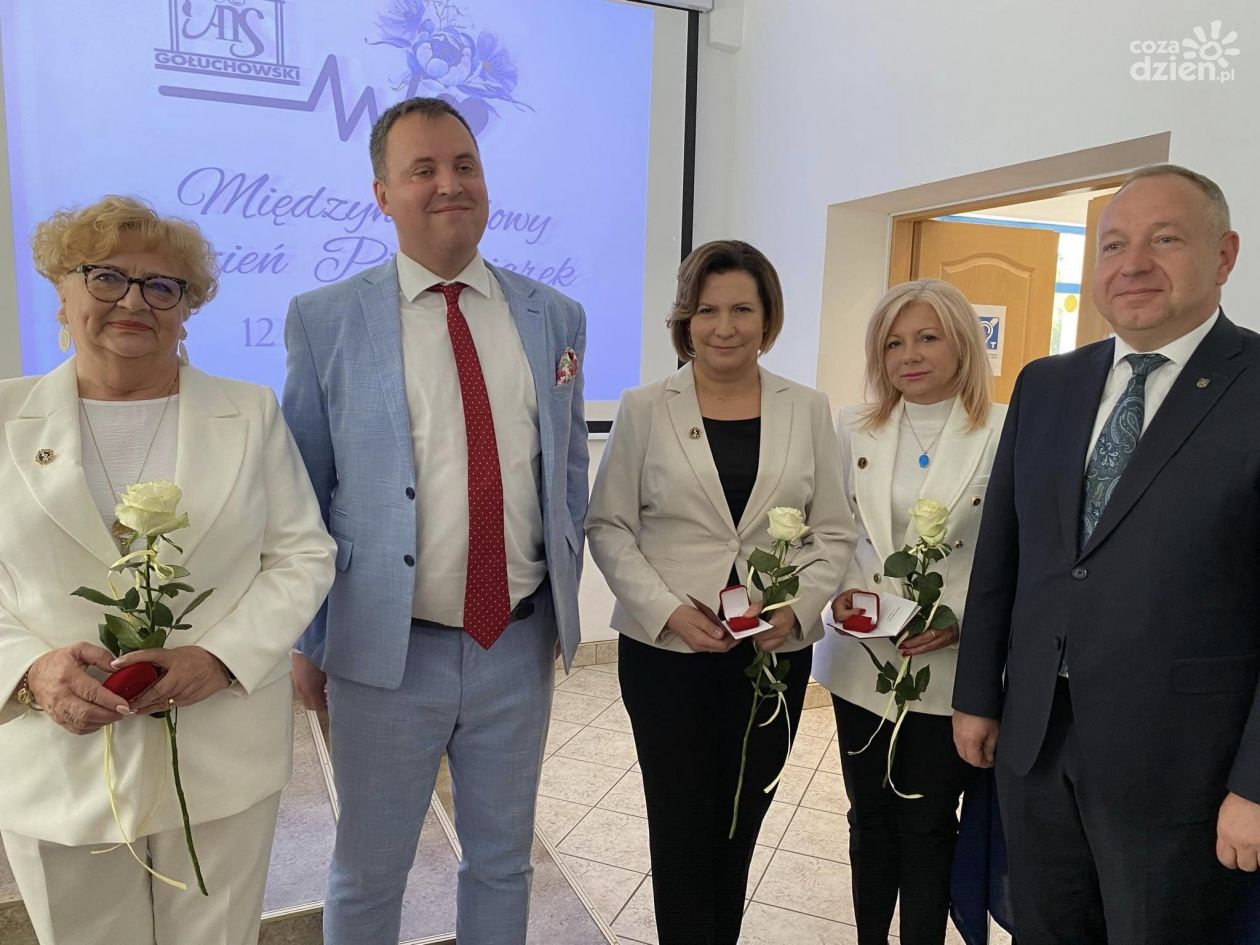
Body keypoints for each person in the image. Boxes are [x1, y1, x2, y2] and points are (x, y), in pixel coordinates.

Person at [282, 97, 588, 945]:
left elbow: (566, 470)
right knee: (369, 870)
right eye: (423, 169)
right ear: (383, 193)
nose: (449, 184)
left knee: (503, 863)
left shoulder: (553, 316)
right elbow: (302, 492)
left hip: (514, 643)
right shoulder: (326, 319)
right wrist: (308, 638)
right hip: (386, 649)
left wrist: (559, 601)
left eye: (464, 165)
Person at [0, 195, 335, 945]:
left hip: (220, 753)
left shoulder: (248, 414)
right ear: (62, 291)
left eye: (161, 286)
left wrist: (219, 657)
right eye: (106, 277)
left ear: (186, 309)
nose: (133, 302)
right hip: (57, 759)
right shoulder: (2, 419)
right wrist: (30, 671)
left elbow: (302, 554)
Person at [952, 164, 1260, 945]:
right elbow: (1003, 558)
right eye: (1114, 244)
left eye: (1166, 239)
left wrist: (1256, 785)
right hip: (1036, 742)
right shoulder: (1047, 384)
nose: (1133, 264)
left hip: (1183, 768)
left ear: (1224, 255)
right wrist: (977, 693)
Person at [585, 239, 855, 945]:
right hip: (667, 653)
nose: (724, 326)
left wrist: (797, 608)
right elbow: (608, 525)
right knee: (679, 824)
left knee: (741, 820)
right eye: (707, 310)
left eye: (742, 309)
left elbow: (834, 529)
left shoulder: (806, 408)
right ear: (685, 319)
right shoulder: (646, 407)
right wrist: (668, 610)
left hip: (770, 656)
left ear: (768, 318)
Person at [812, 279, 1005, 945]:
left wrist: (957, 618)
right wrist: (839, 591)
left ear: (962, 344)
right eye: (893, 343)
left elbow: (1012, 549)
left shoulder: (1002, 428)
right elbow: (833, 527)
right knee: (869, 819)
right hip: (862, 660)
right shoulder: (852, 426)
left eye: (926, 337)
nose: (909, 355)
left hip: (948, 667)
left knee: (927, 822)